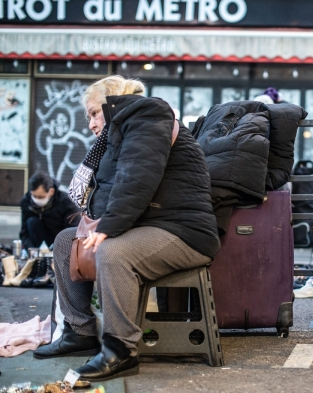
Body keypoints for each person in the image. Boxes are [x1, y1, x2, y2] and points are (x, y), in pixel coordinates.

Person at [33, 75, 221, 381]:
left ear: (112, 103)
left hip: (182, 230)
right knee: (67, 241)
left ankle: (120, 350)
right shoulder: (118, 134)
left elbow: (137, 175)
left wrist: (107, 226)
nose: (91, 123)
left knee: (113, 251)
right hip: (147, 226)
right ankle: (80, 332)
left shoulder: (149, 114)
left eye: (93, 112)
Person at [19, 171, 80, 250]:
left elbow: (73, 232)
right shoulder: (26, 202)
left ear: (51, 191)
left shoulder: (66, 202)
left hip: (60, 242)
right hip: (38, 242)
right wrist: (31, 249)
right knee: (31, 221)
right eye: (34, 196)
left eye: (40, 197)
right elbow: (24, 232)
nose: (36, 200)